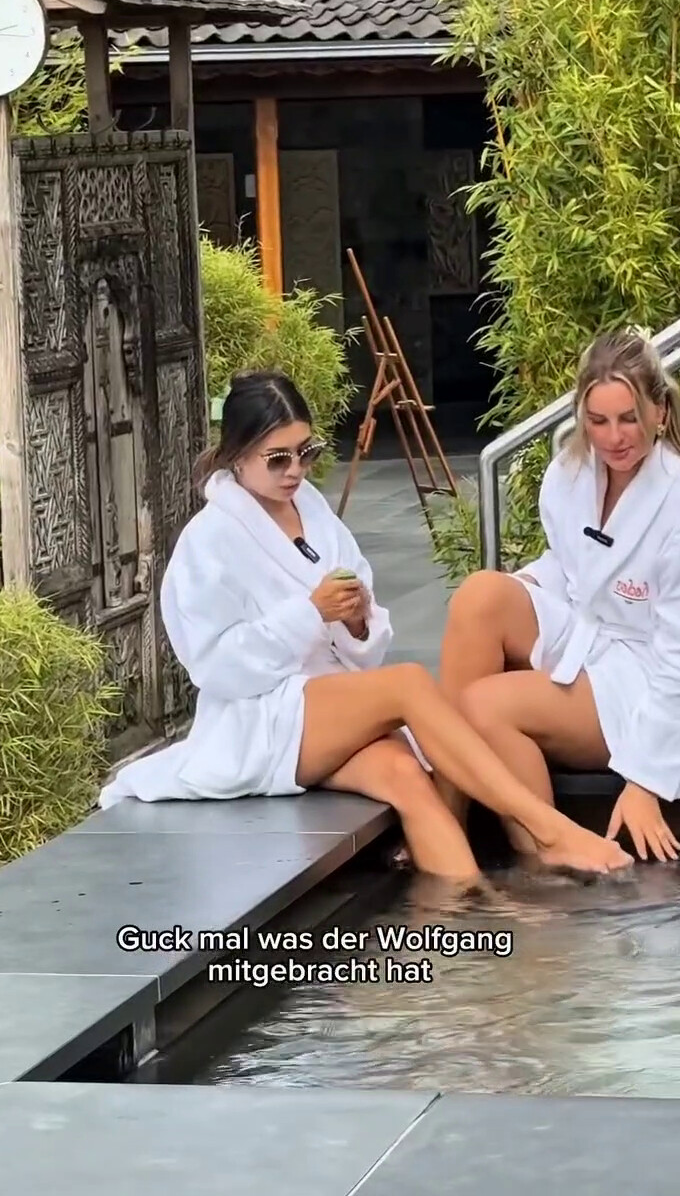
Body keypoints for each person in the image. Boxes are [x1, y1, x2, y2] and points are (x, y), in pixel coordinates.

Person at [99, 369, 632, 881]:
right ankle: (548, 828)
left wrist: (356, 622)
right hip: (260, 717)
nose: (295, 470)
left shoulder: (313, 512)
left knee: (407, 780)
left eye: (306, 452)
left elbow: (365, 641)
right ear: (237, 455)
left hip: (328, 705)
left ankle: (468, 918)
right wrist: (310, 614)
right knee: (410, 685)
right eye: (278, 458)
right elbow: (215, 666)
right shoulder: (208, 540)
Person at [437, 326, 680, 864]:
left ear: (660, 412)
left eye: (628, 418)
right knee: (480, 595)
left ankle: (547, 851)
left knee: (484, 705)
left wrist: (645, 780)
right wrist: (523, 588)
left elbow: (677, 658)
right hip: (589, 633)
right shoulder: (570, 474)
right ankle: (446, 812)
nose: (614, 438)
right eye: (598, 421)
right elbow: (570, 567)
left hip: (647, 673)